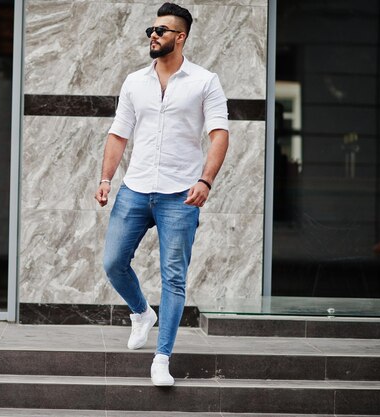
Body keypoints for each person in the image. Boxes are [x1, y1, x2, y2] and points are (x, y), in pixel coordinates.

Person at [95, 2, 229, 387]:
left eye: (161, 31)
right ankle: (141, 312)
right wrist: (106, 179)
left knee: (173, 278)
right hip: (135, 189)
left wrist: (205, 181)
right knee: (113, 262)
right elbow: (119, 134)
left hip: (181, 194)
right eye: (151, 30)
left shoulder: (205, 81)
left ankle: (162, 357)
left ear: (180, 37)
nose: (153, 35)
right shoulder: (134, 81)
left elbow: (219, 134)